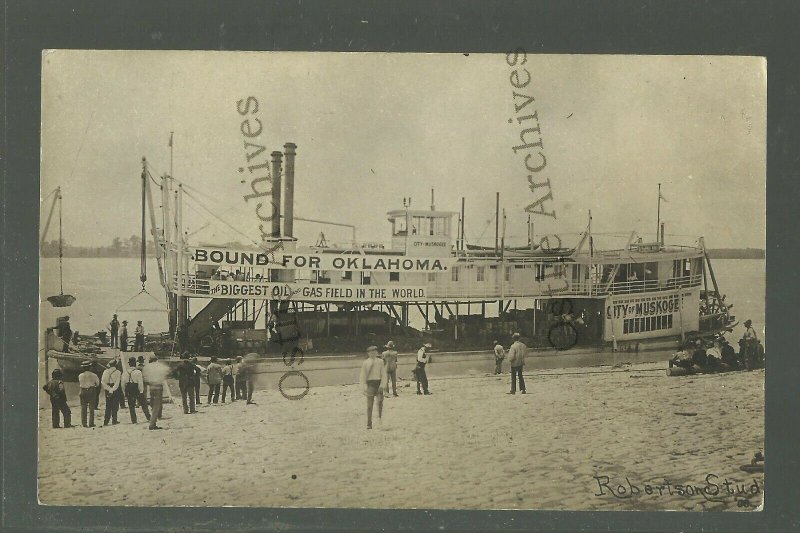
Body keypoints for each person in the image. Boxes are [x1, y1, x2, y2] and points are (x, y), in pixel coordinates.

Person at [359, 346, 388, 429]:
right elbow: (363, 376)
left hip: (378, 383)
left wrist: (382, 385)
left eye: (375, 352)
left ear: (377, 353)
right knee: (369, 405)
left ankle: (379, 420)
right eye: (371, 352)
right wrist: (363, 387)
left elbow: (383, 374)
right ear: (368, 353)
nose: (373, 354)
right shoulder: (366, 363)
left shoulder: (380, 361)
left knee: (380, 402)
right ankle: (369, 423)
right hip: (370, 384)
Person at [143, 356, 170, 430]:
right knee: (157, 405)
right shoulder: (160, 366)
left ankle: (153, 420)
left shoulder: (147, 367)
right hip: (158, 386)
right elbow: (167, 371)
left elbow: (145, 378)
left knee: (153, 403)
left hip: (151, 387)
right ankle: (152, 424)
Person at [122, 356, 149, 423]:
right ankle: (148, 416)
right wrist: (141, 391)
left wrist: (124, 392)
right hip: (136, 388)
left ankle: (134, 420)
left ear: (129, 364)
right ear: (135, 363)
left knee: (131, 406)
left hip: (129, 389)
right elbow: (140, 383)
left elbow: (122, 384)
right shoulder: (138, 372)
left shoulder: (125, 373)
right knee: (144, 404)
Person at [77, 360, 100, 427]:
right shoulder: (94, 375)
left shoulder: (80, 375)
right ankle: (91, 423)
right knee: (91, 408)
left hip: (82, 391)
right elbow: (98, 384)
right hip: (91, 390)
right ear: (90, 367)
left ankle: (84, 423)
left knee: (83, 408)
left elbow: (80, 383)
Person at [101, 360, 122, 426]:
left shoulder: (105, 371)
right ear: (116, 365)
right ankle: (114, 420)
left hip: (107, 388)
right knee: (115, 405)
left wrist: (109, 389)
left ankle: (106, 421)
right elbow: (117, 383)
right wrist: (112, 390)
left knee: (108, 405)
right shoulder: (118, 372)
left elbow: (103, 382)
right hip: (115, 389)